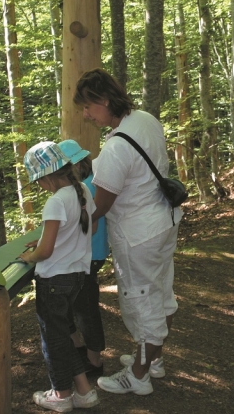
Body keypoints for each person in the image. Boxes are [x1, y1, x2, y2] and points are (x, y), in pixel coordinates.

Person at [73, 68, 182, 396]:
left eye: (88, 107)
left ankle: (138, 375)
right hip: (163, 221)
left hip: (138, 237)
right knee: (161, 294)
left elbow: (100, 205)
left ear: (104, 101)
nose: (86, 114)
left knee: (142, 302)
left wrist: (73, 226)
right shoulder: (145, 119)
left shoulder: (115, 148)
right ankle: (154, 359)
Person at [19, 141, 100, 412]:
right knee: (63, 335)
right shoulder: (83, 193)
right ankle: (84, 391)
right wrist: (43, 242)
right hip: (76, 276)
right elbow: (77, 232)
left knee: (53, 341)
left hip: (53, 280)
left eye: (38, 180)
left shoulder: (55, 201)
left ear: (47, 177)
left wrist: (29, 256)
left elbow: (46, 251)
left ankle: (61, 395)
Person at [57, 139, 108, 378]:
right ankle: (79, 346)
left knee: (85, 308)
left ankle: (94, 361)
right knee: (72, 303)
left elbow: (91, 227)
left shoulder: (87, 187)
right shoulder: (87, 185)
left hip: (89, 256)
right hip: (85, 255)